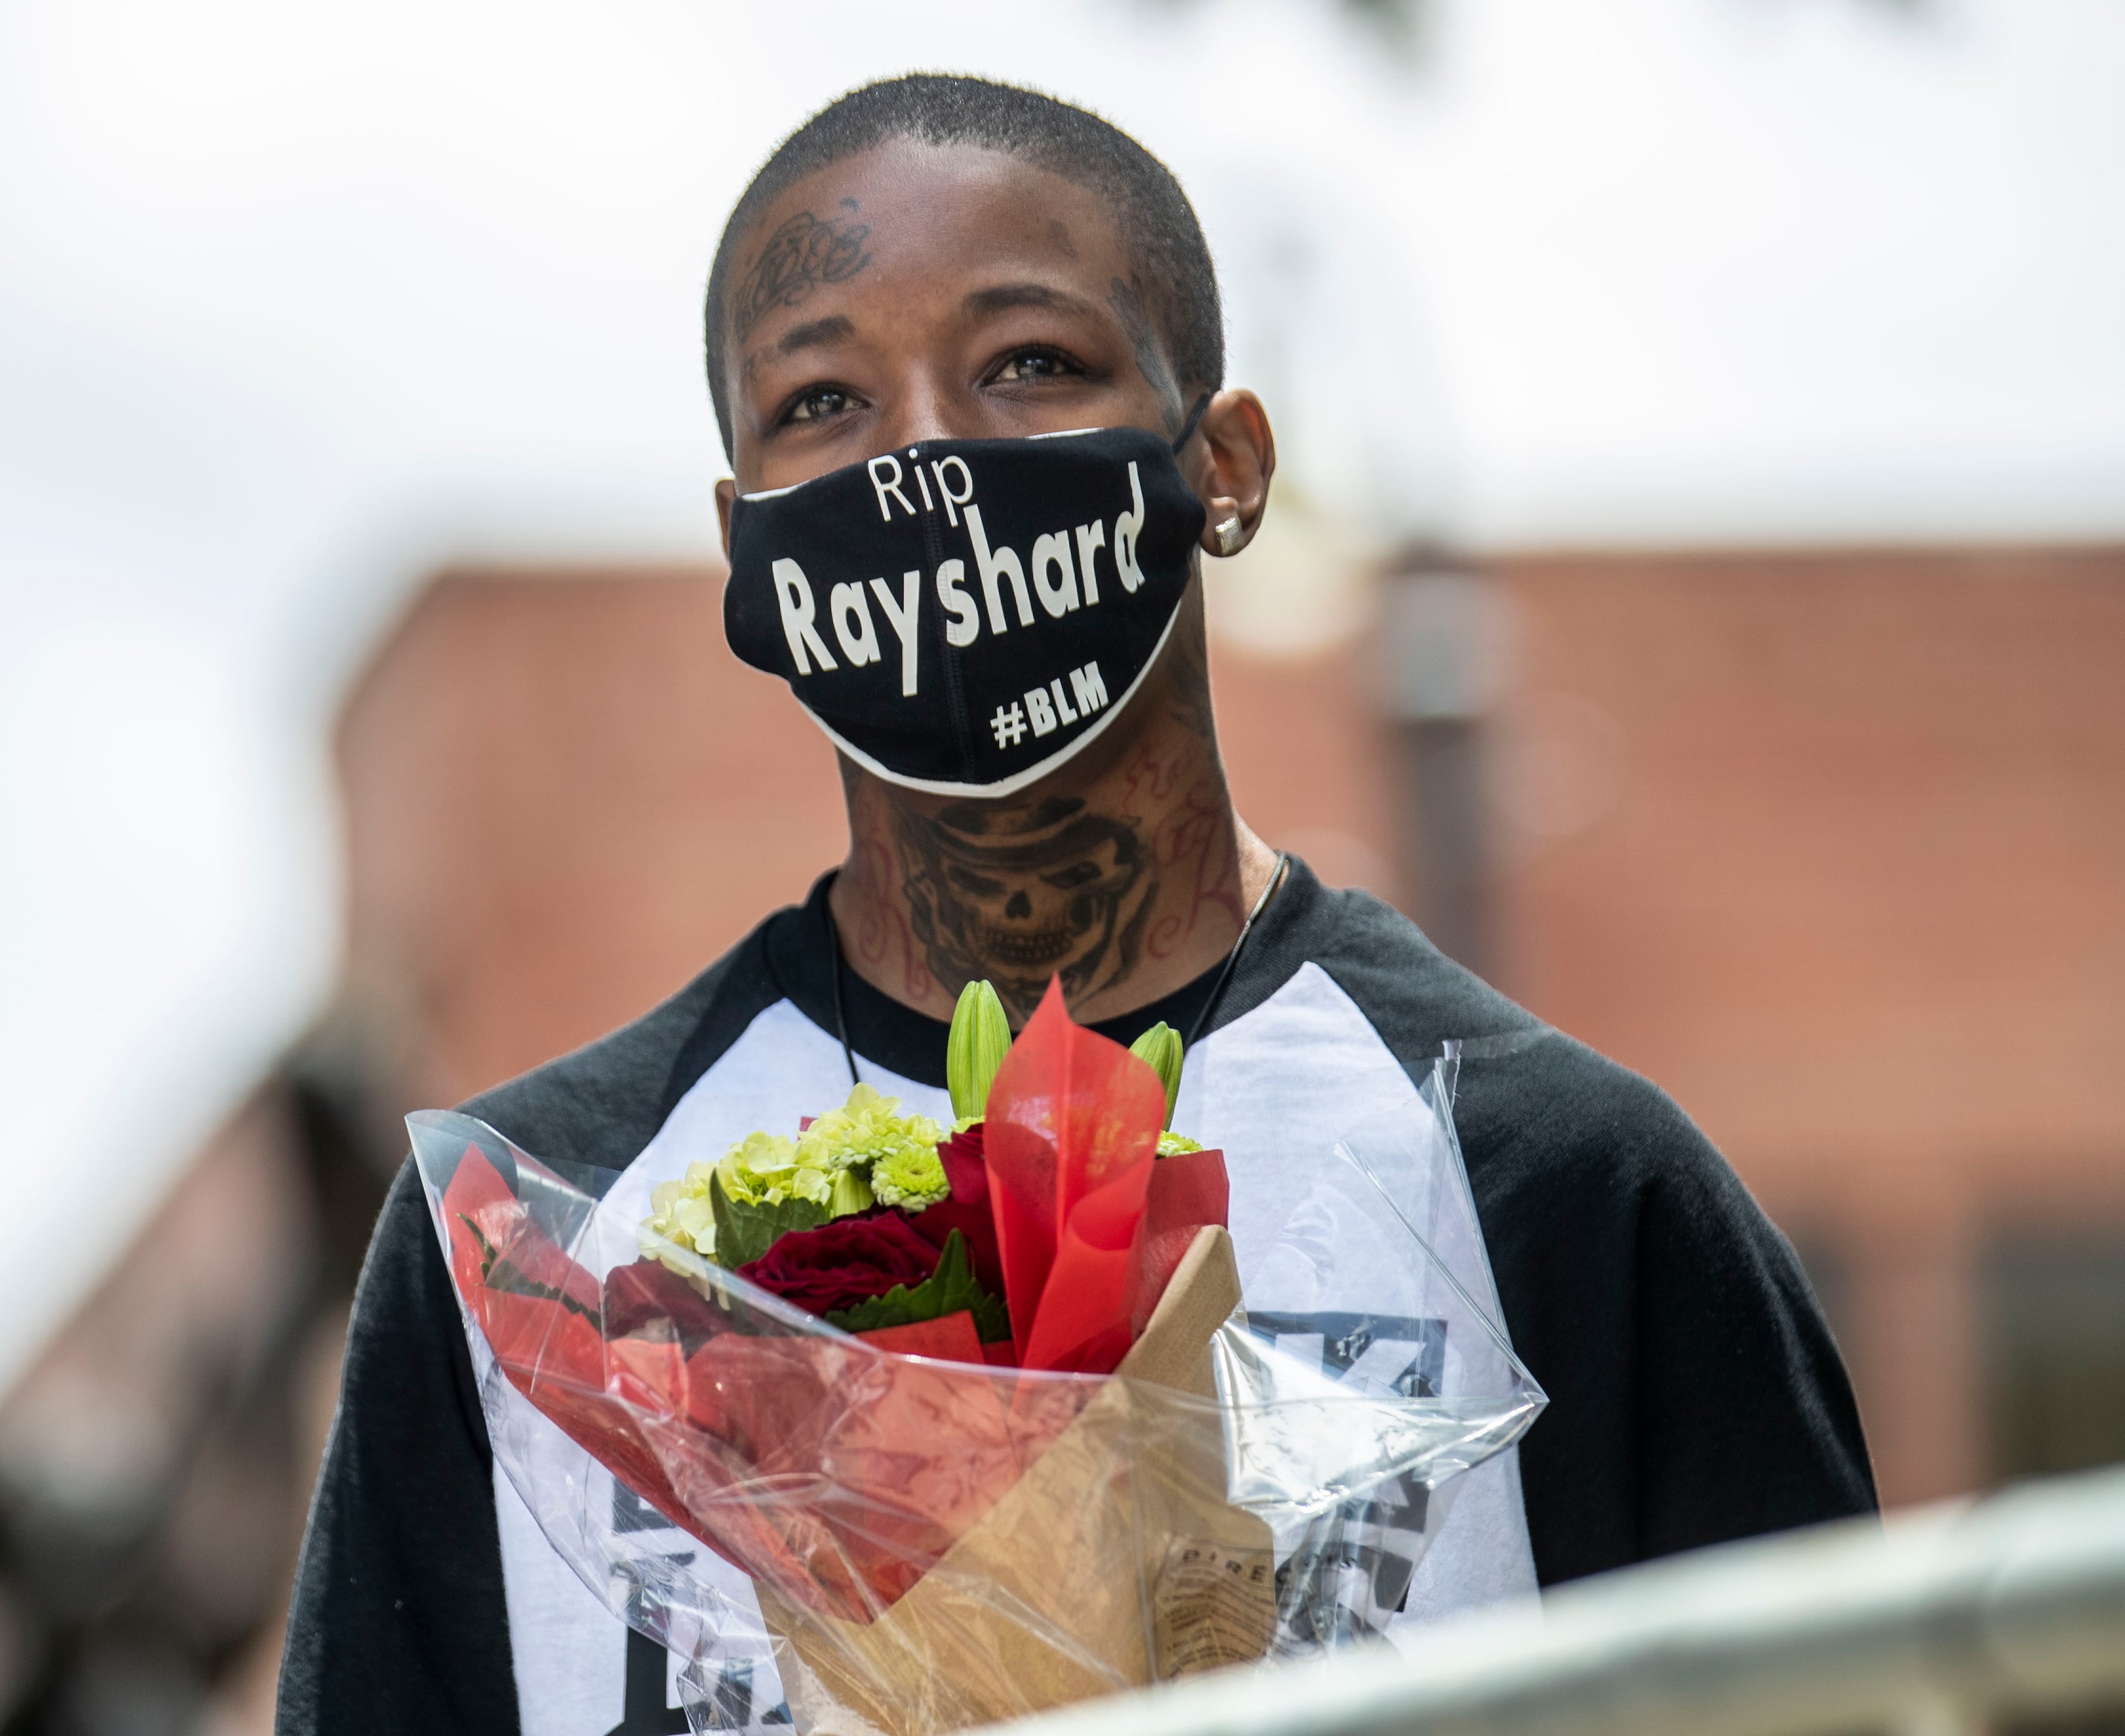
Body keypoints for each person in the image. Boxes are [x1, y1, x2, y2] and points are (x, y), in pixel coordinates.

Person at [277, 74, 1874, 1736]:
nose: (926, 461)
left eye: (1029, 364)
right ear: (747, 553)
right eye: (821, 399)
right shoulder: (544, 1248)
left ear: (1228, 467)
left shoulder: (1555, 1183)